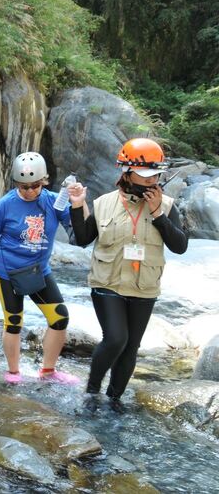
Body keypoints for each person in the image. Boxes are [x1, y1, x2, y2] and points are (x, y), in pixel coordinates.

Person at [70, 138, 188, 410]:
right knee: (115, 338)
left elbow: (180, 246)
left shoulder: (167, 205)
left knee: (131, 346)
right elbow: (82, 238)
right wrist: (78, 205)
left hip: (144, 286)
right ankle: (91, 393)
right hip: (107, 283)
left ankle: (114, 399)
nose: (152, 181)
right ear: (126, 172)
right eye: (145, 175)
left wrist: (158, 213)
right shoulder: (103, 203)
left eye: (156, 175)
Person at [0, 152, 79, 385]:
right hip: (8, 271)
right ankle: (13, 372)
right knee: (14, 321)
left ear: (44, 181)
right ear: (16, 183)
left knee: (60, 317)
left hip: (39, 270)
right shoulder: (5, 205)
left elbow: (79, 225)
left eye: (35, 186)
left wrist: (78, 202)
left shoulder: (55, 201)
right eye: (23, 187)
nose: (29, 191)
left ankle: (48, 371)